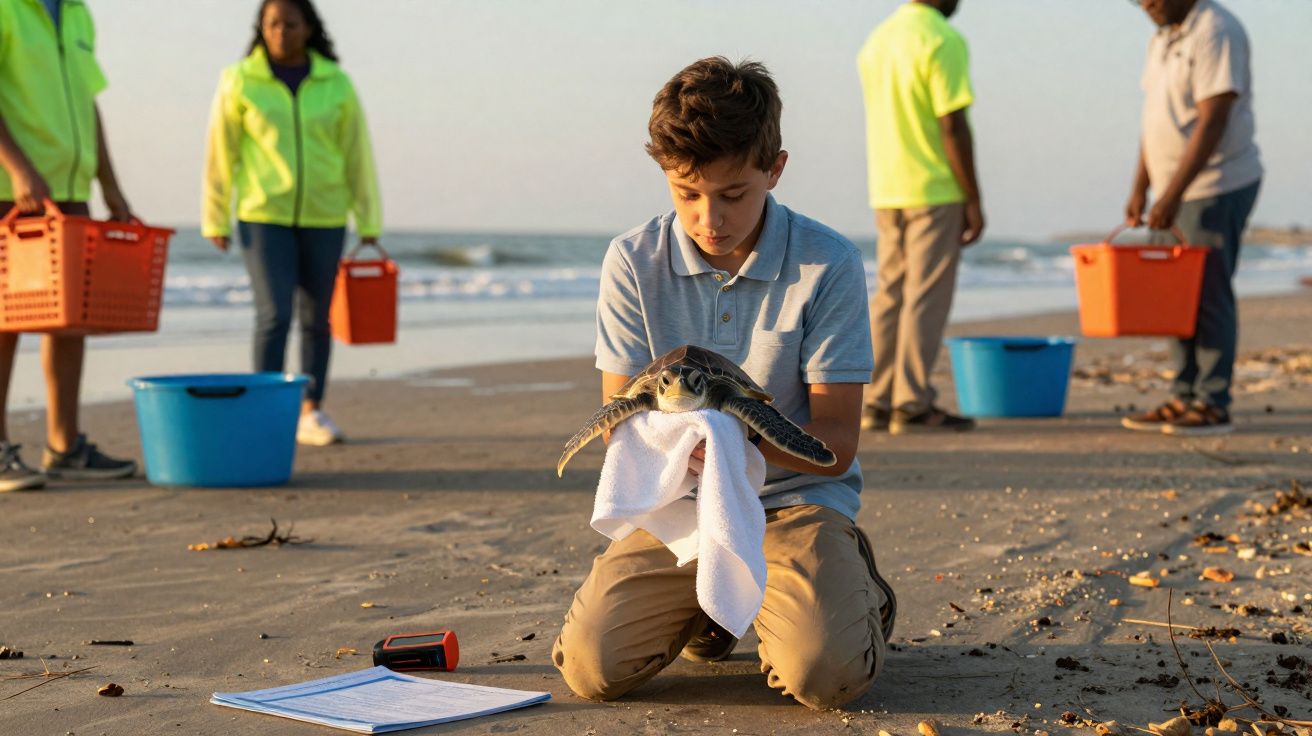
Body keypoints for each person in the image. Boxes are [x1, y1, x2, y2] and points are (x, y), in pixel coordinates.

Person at [551, 57, 896, 709]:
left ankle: (855, 588)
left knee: (827, 675)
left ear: (775, 169)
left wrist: (743, 446)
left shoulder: (827, 263)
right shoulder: (633, 261)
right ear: (665, 176)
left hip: (793, 500)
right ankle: (713, 608)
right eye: (687, 193)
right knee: (592, 669)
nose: (710, 217)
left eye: (733, 194)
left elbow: (837, 444)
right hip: (678, 501)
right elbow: (616, 416)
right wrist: (683, 454)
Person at [202, 0, 381, 446]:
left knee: (317, 319)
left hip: (325, 215)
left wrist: (369, 216)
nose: (281, 31)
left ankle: (310, 410)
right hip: (262, 215)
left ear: (308, 27)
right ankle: (263, 412)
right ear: (261, 29)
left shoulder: (335, 83)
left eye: (290, 23)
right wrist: (214, 215)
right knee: (274, 314)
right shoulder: (238, 80)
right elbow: (220, 153)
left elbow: (358, 153)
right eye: (272, 24)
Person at [0, 0, 139, 492]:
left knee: (68, 318)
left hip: (68, 189)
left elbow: (87, 102)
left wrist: (111, 185)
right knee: (4, 321)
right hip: (10, 189)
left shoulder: (77, 14)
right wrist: (18, 168)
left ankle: (64, 446)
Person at [1120, 0, 1261, 436]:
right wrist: (1141, 186)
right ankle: (1183, 395)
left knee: (1208, 292)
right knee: (1174, 297)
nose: (1146, 5)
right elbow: (1154, 120)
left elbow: (1213, 118)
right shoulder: (1162, 38)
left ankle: (1212, 401)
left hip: (1215, 184)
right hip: (1171, 191)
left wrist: (1174, 193)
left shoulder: (1215, 29)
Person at [856, 0, 982, 434]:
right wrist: (973, 196)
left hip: (887, 186)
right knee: (925, 295)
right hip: (934, 185)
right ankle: (911, 403)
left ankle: (875, 400)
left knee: (890, 293)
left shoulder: (878, 40)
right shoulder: (941, 39)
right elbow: (952, 124)